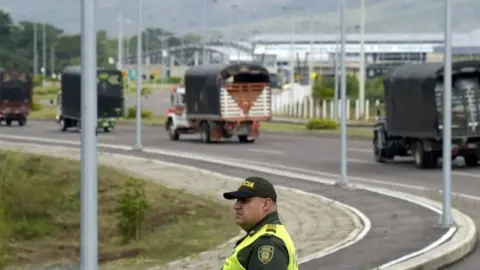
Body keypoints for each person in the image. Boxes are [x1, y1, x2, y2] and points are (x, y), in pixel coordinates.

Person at [221, 176, 299, 270]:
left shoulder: (268, 243)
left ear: (266, 204)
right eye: (237, 200)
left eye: (244, 200)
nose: (236, 206)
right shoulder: (260, 236)